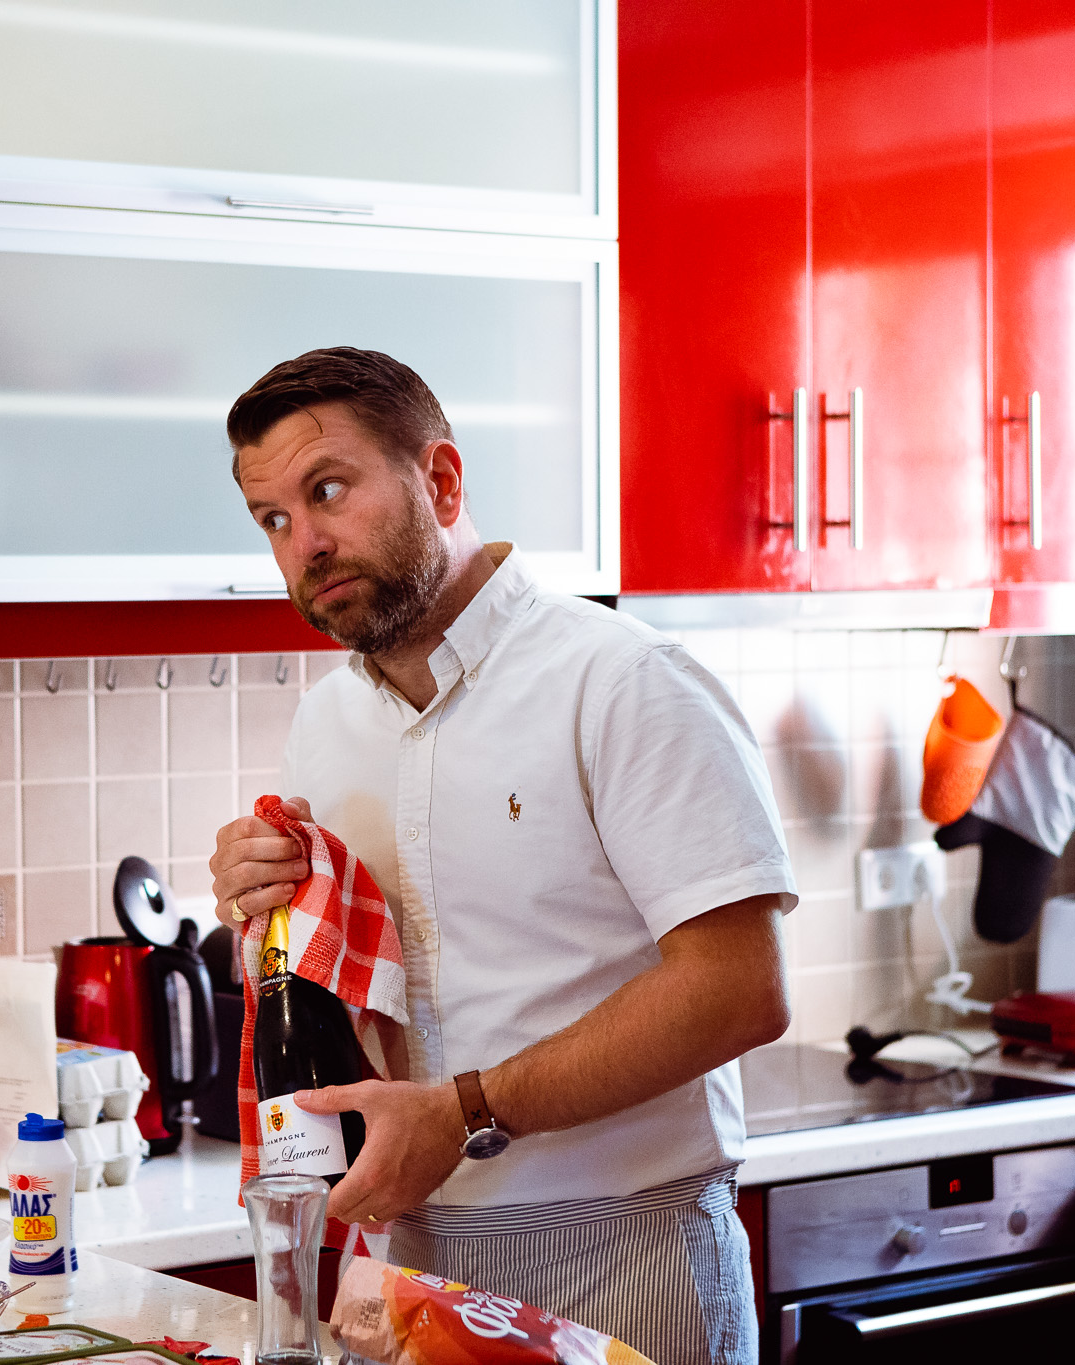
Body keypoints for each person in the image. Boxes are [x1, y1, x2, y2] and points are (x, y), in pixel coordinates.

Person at [208, 348, 796, 1365]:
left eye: (329, 490)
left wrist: (465, 1111)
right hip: (404, 1258)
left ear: (440, 481)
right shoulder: (324, 725)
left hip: (623, 1249)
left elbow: (740, 988)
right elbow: (329, 984)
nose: (304, 543)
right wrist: (259, 908)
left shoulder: (621, 682)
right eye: (272, 519)